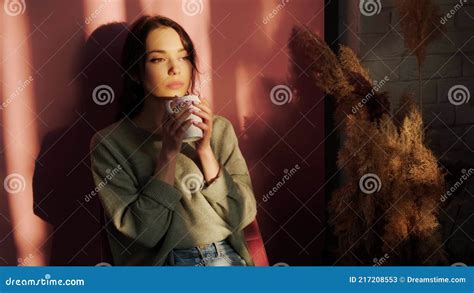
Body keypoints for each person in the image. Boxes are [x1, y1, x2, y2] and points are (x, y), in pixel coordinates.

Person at [89, 15, 257, 266]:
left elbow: (242, 215)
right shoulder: (110, 144)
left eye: (183, 56)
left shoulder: (219, 129)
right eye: (158, 59)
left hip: (227, 259)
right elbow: (144, 232)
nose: (175, 68)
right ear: (135, 72)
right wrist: (168, 153)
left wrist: (205, 151)